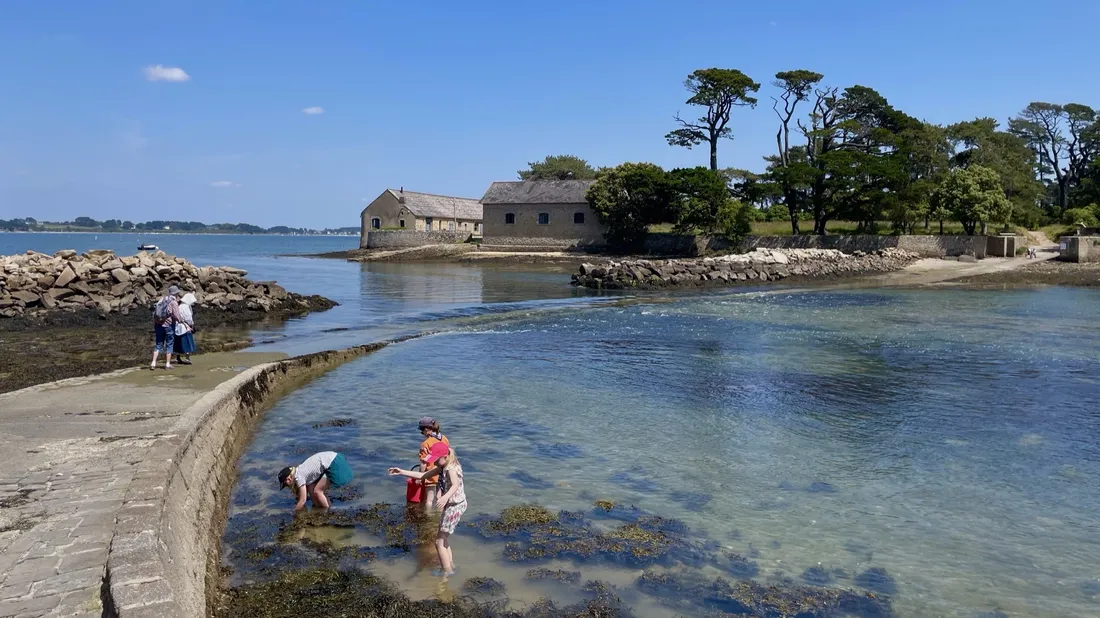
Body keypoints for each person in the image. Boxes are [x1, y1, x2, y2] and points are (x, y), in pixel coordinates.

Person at [389, 442, 466, 576]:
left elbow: (455, 484)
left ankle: (446, 572)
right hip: (455, 505)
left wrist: (444, 497)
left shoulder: (450, 468)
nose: (434, 462)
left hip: (454, 506)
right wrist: (401, 472)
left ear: (446, 456)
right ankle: (451, 565)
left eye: (436, 459)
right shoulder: (443, 466)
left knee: (438, 542)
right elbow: (422, 476)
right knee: (443, 538)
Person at [278, 451, 353, 512]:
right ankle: (320, 509)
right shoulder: (300, 470)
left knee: (318, 491)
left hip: (335, 463)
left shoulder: (299, 477)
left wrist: (293, 511)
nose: (288, 486)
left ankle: (329, 511)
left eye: (286, 484)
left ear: (288, 479)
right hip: (336, 457)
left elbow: (303, 500)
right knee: (311, 489)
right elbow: (310, 492)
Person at [416, 417, 449, 509]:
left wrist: (419, 477)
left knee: (429, 499)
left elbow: (423, 463)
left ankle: (428, 518)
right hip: (443, 472)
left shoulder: (426, 443)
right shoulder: (444, 438)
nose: (422, 433)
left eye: (422, 431)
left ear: (426, 430)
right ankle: (439, 515)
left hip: (431, 473)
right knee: (439, 496)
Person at [150, 285, 182, 370]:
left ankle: (153, 363)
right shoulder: (173, 302)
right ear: (176, 293)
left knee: (158, 344)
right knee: (169, 344)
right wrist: (180, 321)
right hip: (169, 326)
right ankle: (167, 364)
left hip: (158, 324)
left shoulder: (162, 299)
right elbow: (176, 315)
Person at [174, 292, 197, 364]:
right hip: (185, 327)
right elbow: (189, 318)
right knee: (188, 343)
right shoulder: (186, 307)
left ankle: (178, 357)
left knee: (178, 343)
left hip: (177, 326)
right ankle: (187, 358)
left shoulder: (179, 306)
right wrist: (192, 325)